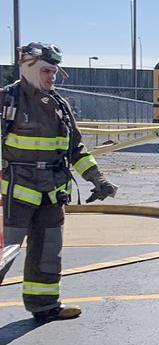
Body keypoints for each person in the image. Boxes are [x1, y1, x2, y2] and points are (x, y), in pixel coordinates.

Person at [1, 42, 118, 319]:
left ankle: (44, 305)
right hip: (16, 194)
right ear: (29, 69)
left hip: (52, 193)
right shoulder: (8, 100)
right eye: (46, 71)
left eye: (54, 72)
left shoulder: (60, 106)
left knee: (48, 252)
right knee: (4, 253)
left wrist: (98, 179)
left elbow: (75, 149)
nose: (52, 77)